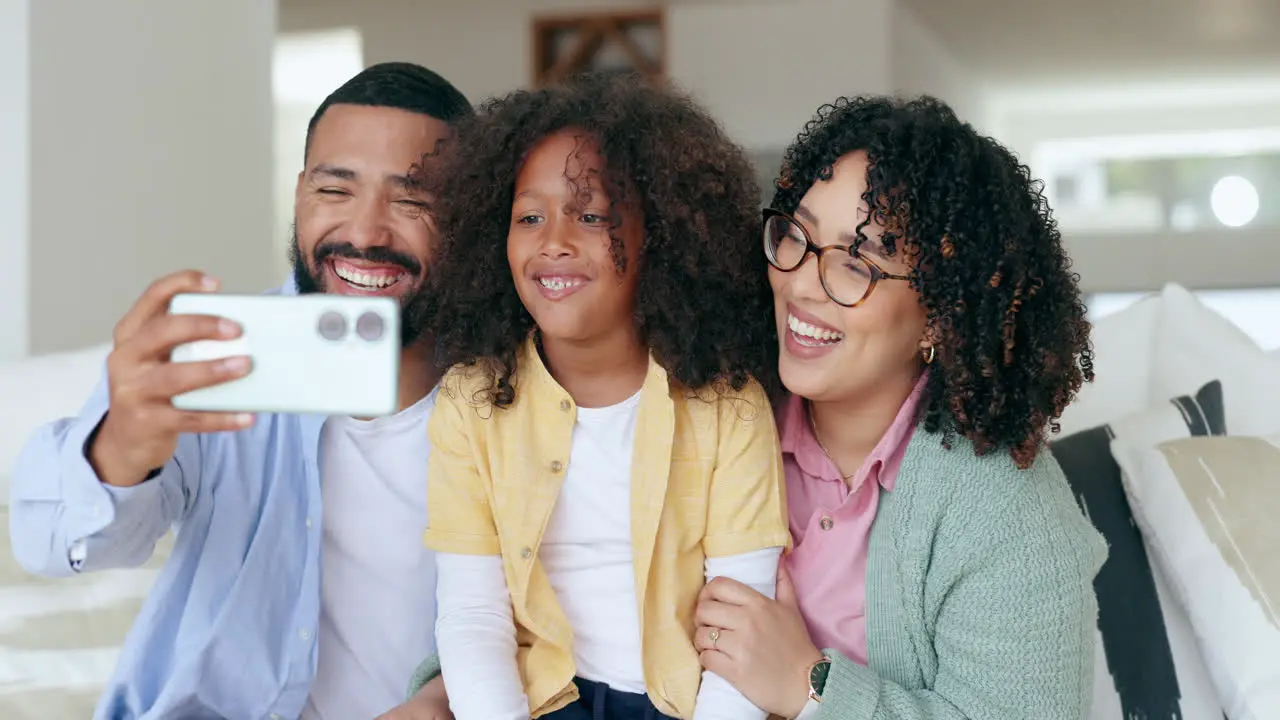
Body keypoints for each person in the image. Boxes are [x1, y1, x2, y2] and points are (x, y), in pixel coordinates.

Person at [8, 62, 471, 720]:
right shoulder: (221, 354)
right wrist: (118, 449)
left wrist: (450, 698)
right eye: (335, 192)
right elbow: (48, 544)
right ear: (299, 196)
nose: (365, 233)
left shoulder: (524, 394)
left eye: (413, 200)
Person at [691, 95, 1108, 719]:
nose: (802, 283)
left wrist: (808, 686)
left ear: (939, 316)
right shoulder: (709, 419)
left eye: (857, 263)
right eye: (797, 237)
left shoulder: (1011, 515)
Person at [406, 72, 789, 720]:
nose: (553, 241)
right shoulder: (469, 403)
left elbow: (741, 626)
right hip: (534, 701)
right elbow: (473, 615)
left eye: (590, 216)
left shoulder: (729, 406)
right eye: (529, 216)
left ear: (659, 238)